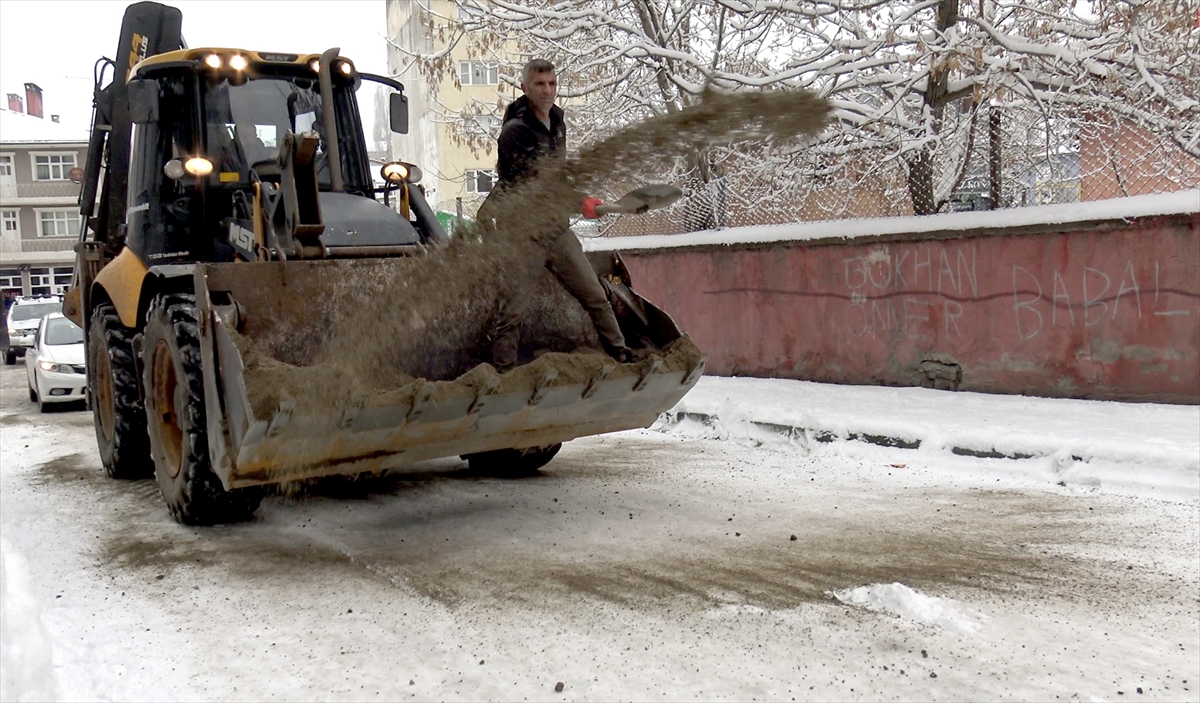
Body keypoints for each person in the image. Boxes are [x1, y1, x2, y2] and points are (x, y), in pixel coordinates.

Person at [482, 58, 634, 372]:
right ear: (525, 87)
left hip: (555, 230)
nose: (547, 90)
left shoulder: (557, 123)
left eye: (552, 83)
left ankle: (621, 354)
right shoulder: (515, 132)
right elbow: (534, 184)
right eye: (539, 84)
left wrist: (578, 199)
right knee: (511, 312)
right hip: (523, 235)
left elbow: (557, 176)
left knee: (595, 295)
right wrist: (578, 201)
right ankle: (503, 375)